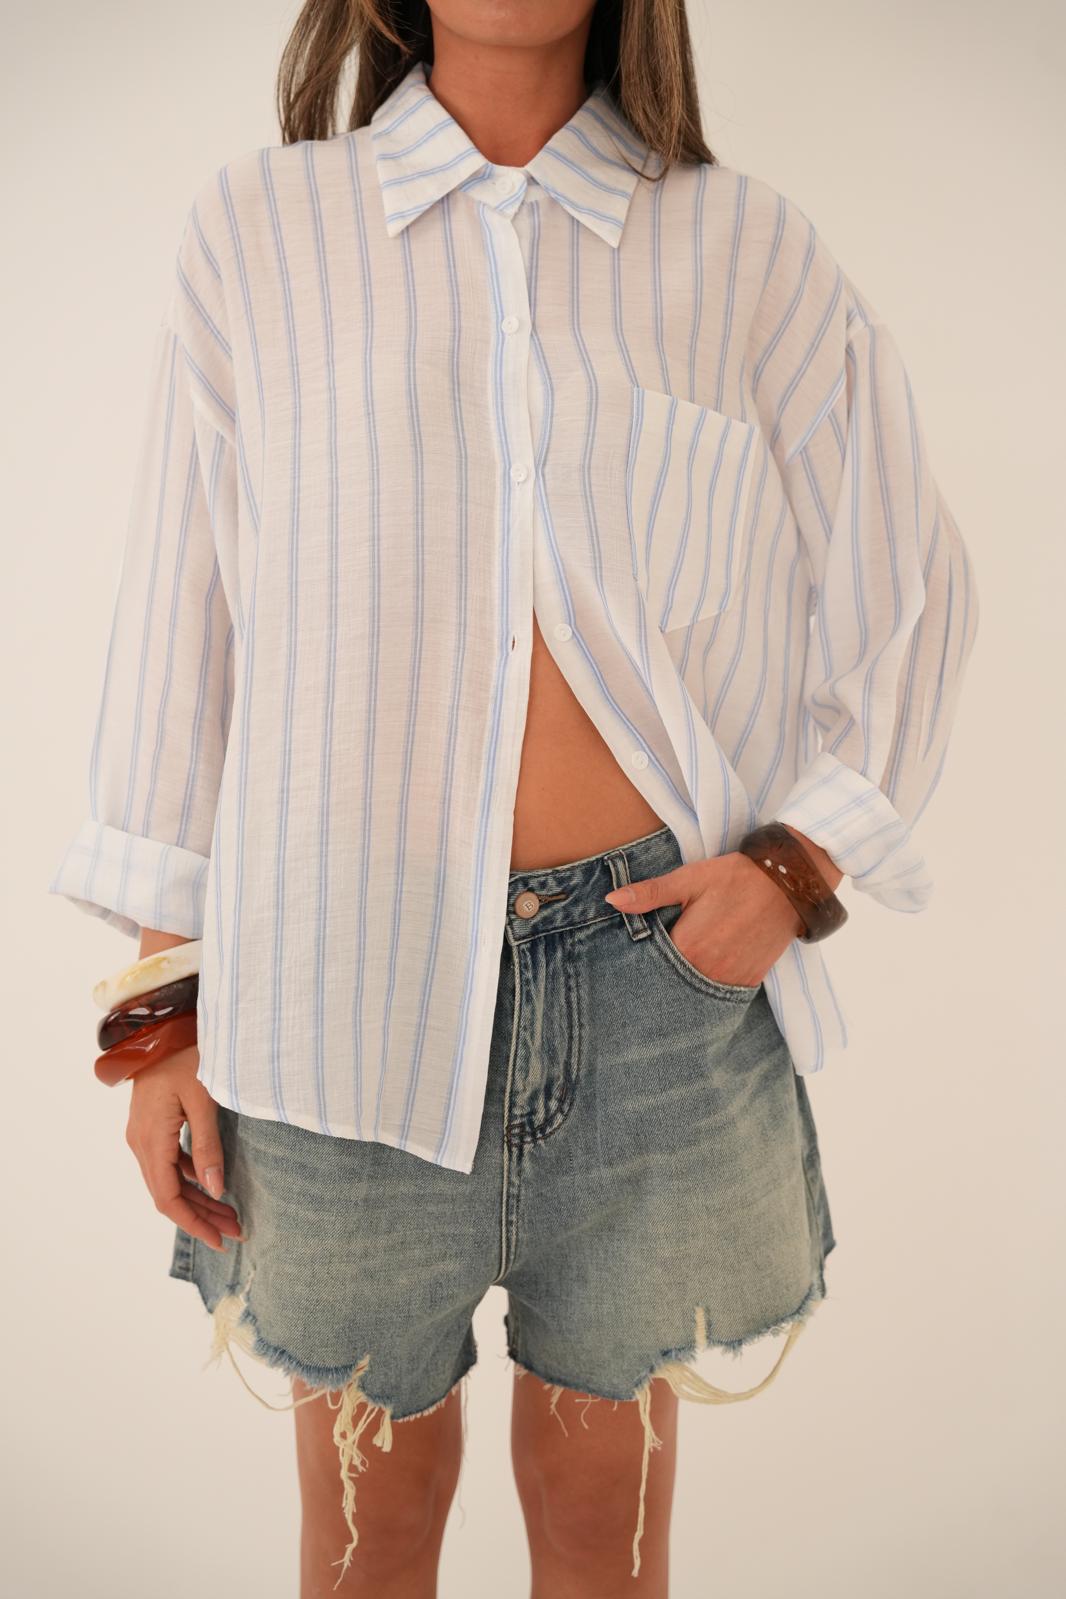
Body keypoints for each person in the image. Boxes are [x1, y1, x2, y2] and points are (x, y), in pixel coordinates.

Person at [47, 1, 979, 1594]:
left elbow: (909, 586)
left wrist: (793, 864)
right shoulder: (263, 227)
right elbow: (183, 619)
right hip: (330, 985)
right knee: (368, 1522)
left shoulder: (740, 245)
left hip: (656, 985)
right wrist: (159, 1021)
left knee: (604, 1519)